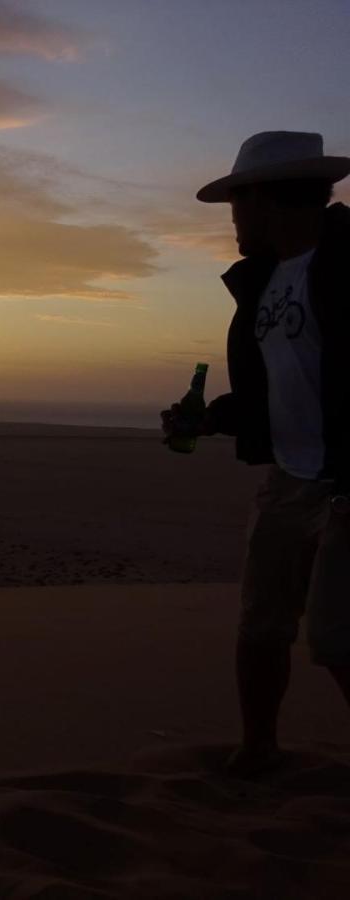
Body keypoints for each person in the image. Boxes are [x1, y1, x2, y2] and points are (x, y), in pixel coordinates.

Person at [162, 131, 350, 779]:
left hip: (343, 487)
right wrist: (208, 416)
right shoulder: (263, 284)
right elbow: (269, 394)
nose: (233, 221)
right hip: (287, 482)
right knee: (261, 626)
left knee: (337, 636)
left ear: (269, 200)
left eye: (237, 205)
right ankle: (258, 752)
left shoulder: (346, 265)